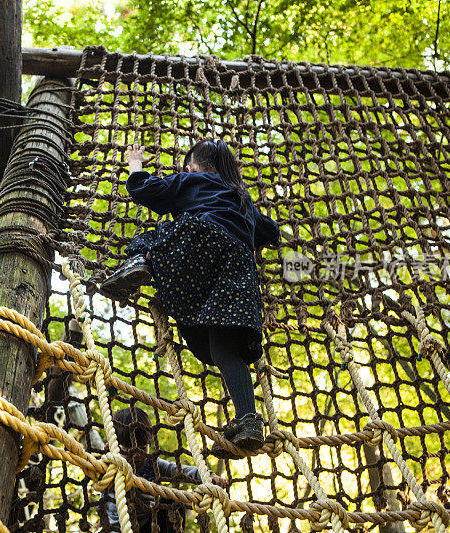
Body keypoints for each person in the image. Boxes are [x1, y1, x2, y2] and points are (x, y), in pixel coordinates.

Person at [100, 140, 280, 456]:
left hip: (200, 247)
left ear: (192, 166)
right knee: (223, 346)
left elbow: (144, 189)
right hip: (237, 270)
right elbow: (271, 231)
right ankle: (248, 420)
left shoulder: (194, 180)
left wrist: (135, 162)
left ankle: (141, 261)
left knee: (158, 233)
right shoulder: (243, 200)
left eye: (187, 166)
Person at [106, 407, 227, 532]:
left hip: (148, 525)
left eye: (143, 448)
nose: (137, 454)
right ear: (116, 446)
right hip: (118, 528)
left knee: (173, 499)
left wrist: (208, 476)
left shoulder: (151, 463)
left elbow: (178, 470)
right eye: (130, 449)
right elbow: (100, 480)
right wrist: (108, 458)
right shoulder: (111, 465)